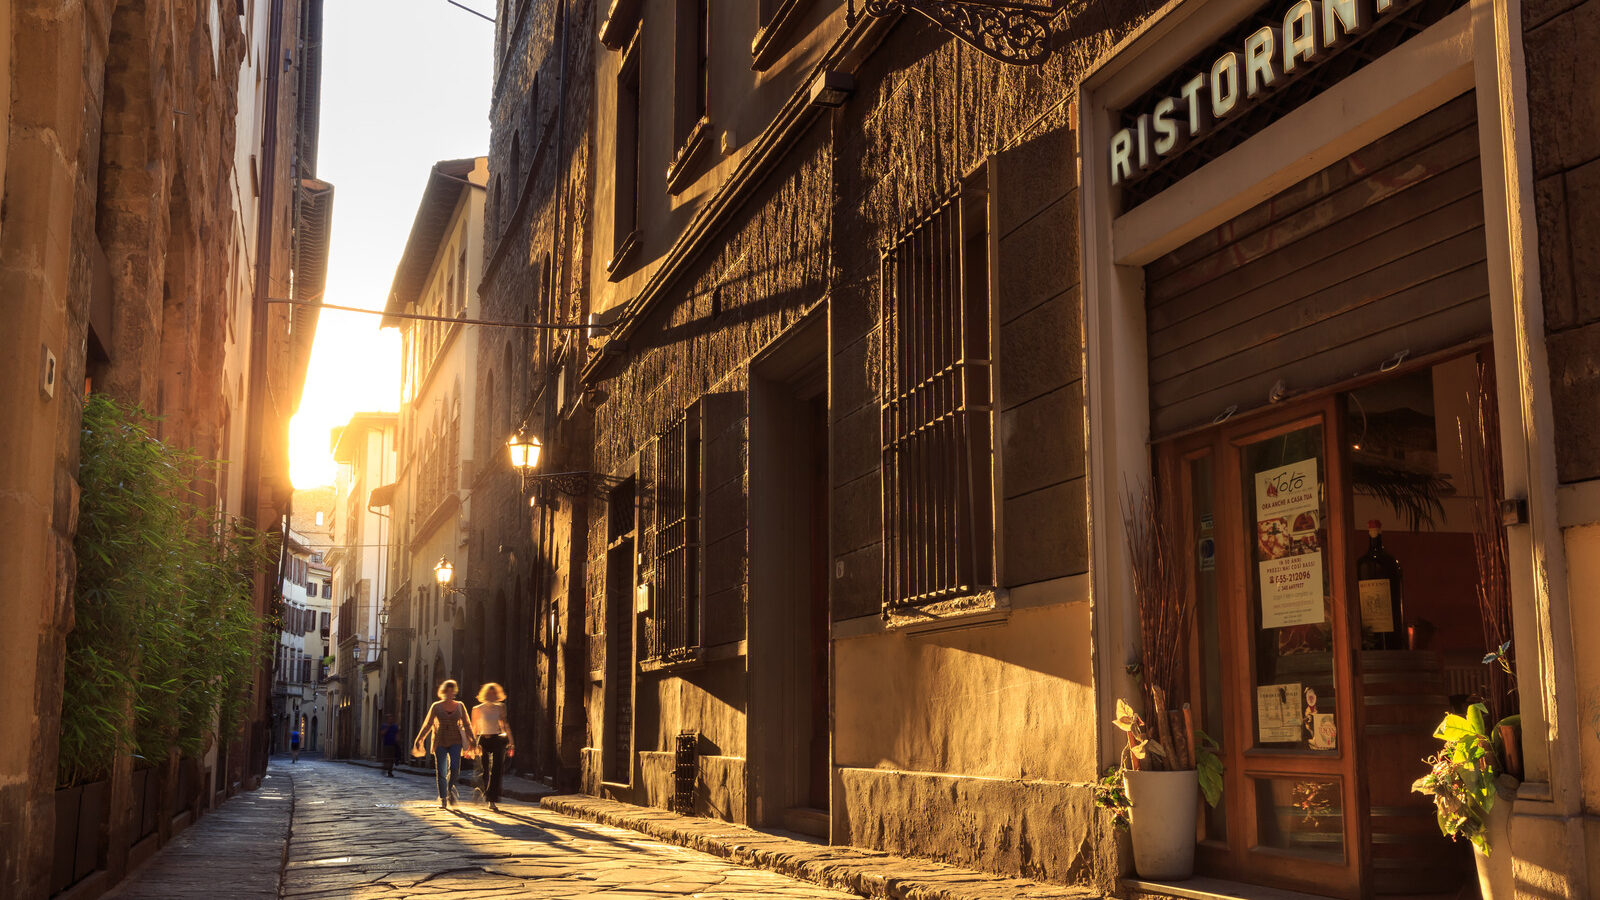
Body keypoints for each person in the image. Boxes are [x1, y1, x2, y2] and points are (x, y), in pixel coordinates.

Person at [413, 679, 476, 808]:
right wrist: (420, 739)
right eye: (447, 691)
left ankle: (449, 789)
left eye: (452, 691)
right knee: (441, 771)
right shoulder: (436, 706)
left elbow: (467, 724)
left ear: (454, 692)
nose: (450, 694)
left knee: (455, 768)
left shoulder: (460, 706)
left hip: (456, 741)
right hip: (440, 741)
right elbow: (428, 724)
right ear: (443, 692)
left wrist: (473, 740)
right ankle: (443, 798)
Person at [470, 683, 515, 812]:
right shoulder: (477, 709)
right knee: (484, 769)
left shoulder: (500, 707)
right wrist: (471, 744)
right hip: (483, 740)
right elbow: (474, 728)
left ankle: (492, 799)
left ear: (497, 695)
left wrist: (511, 743)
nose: (491, 695)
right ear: (484, 694)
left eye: (494, 693)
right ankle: (483, 790)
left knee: (496, 769)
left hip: (497, 739)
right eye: (489, 693)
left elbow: (505, 725)